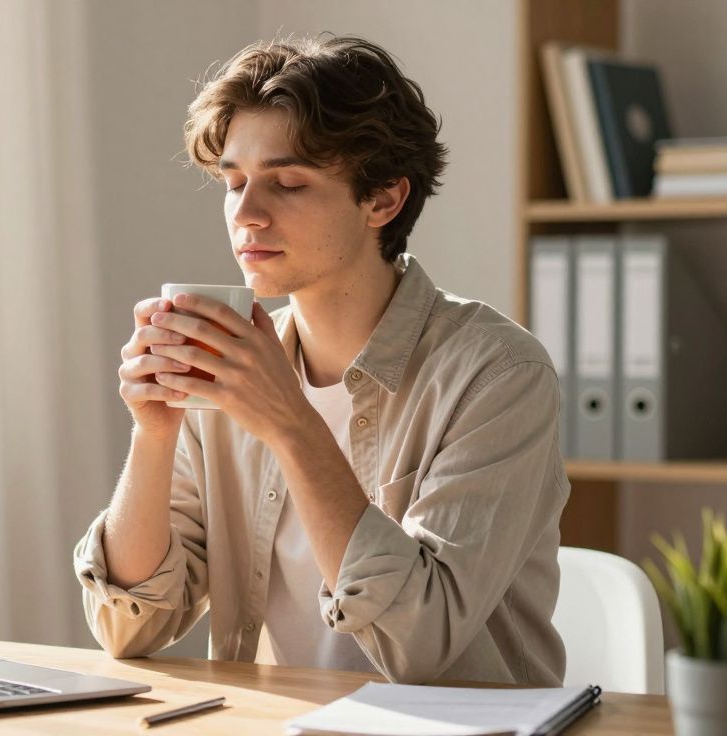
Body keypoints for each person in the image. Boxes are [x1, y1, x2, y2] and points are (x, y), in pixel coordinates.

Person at [73, 35, 568, 686]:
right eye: (234, 182)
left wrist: (290, 423)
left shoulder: (499, 375)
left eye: (287, 183)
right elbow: (129, 625)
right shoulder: (229, 373)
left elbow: (418, 642)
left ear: (383, 199)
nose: (246, 214)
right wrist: (154, 431)